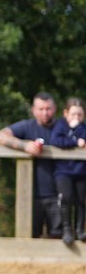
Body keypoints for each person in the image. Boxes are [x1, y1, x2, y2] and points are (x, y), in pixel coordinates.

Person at [0, 92, 60, 238]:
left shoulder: (63, 128)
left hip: (58, 194)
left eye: (48, 108)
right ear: (33, 110)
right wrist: (24, 145)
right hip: (30, 194)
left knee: (59, 237)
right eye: (41, 109)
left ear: (54, 109)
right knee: (29, 235)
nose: (45, 113)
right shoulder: (26, 126)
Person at [48, 97, 86, 245]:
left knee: (81, 201)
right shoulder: (60, 126)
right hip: (64, 171)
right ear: (65, 113)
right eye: (73, 114)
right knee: (66, 198)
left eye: (80, 115)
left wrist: (77, 128)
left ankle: (80, 230)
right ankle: (67, 229)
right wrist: (75, 141)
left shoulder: (83, 127)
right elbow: (56, 141)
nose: (76, 118)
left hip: (81, 171)